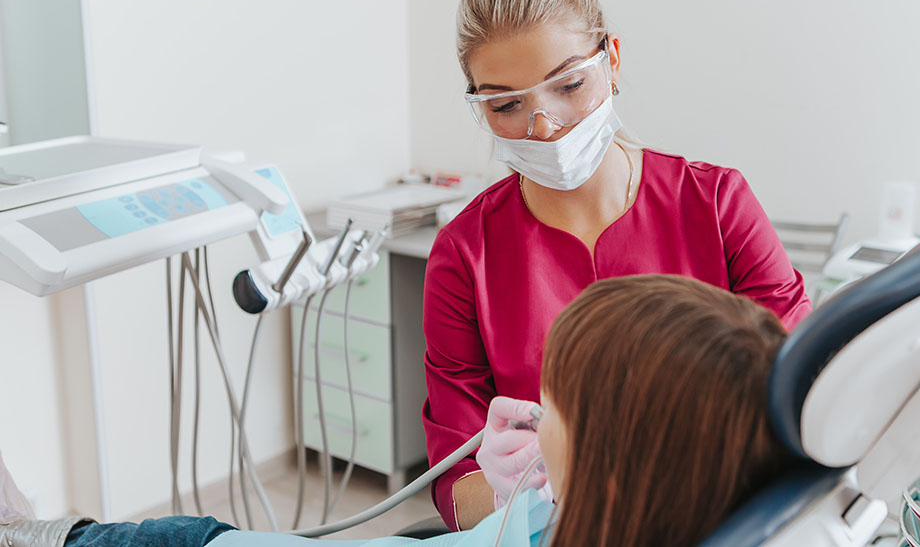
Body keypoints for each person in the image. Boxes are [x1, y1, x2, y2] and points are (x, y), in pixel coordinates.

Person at [423, 0, 811, 530]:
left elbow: (802, 386)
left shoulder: (716, 205)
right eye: (506, 104)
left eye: (569, 84)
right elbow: (455, 487)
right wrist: (509, 498)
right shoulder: (464, 256)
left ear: (613, 60)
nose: (545, 125)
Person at [0, 274, 794, 546]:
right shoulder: (588, 511)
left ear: (622, 468)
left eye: (553, 405)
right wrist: (537, 492)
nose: (530, 412)